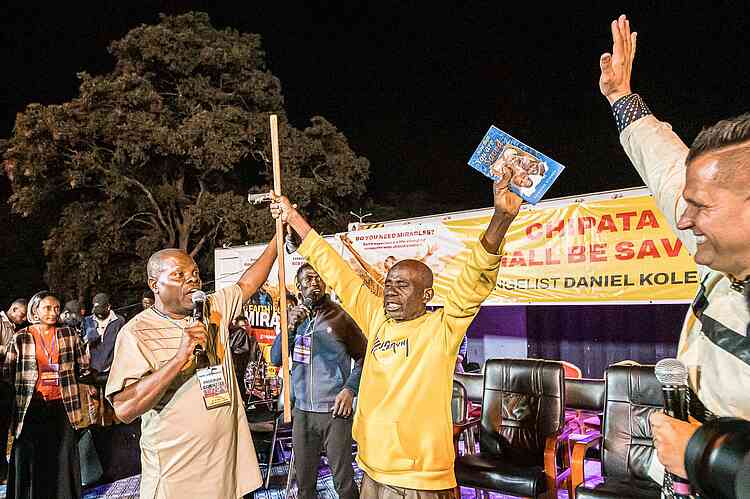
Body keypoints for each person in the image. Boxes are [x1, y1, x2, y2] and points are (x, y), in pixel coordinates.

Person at [270, 173, 521, 497]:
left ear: (427, 294)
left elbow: (474, 278)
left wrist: (500, 219)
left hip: (420, 482)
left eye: (402, 285)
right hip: (371, 472)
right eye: (388, 284)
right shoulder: (376, 317)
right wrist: (293, 218)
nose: (390, 291)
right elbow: (336, 270)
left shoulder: (441, 328)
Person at [598, 14, 750, 485]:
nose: (683, 221)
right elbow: (663, 166)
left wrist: (703, 453)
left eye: (700, 207)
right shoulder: (724, 255)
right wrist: (621, 97)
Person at [105, 236, 278, 499]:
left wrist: (278, 239)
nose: (192, 279)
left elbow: (249, 282)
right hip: (179, 479)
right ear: (155, 285)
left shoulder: (212, 309)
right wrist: (178, 359)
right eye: (179, 274)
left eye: (195, 273)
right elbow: (125, 409)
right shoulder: (136, 333)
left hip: (227, 470)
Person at [270, 263, 367, 499]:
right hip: (302, 412)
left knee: (342, 482)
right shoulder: (294, 317)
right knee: (304, 485)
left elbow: (365, 356)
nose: (314, 282)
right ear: (298, 284)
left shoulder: (340, 317)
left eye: (319, 278)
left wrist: (350, 389)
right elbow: (276, 358)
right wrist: (289, 327)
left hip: (334, 412)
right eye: (308, 278)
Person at [0, 291, 89, 499]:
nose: (53, 312)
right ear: (35, 310)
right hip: (32, 405)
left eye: (57, 308)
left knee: (62, 454)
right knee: (31, 455)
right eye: (47, 308)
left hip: (63, 404)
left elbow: (83, 365)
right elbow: (7, 371)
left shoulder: (68, 334)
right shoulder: (21, 337)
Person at [82, 292, 126, 425]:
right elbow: (81, 342)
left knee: (111, 402)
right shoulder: (87, 320)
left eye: (102, 310)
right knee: (94, 403)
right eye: (96, 311)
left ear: (109, 307)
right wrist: (87, 339)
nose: (98, 314)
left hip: (112, 367)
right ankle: (96, 429)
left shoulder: (119, 321)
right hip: (93, 367)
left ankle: (114, 429)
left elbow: (123, 343)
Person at [0, 298, 27, 480]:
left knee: (3, 427)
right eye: (22, 314)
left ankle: (3, 469)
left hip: (6, 382)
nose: (23, 318)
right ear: (13, 308)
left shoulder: (12, 327)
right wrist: (10, 350)